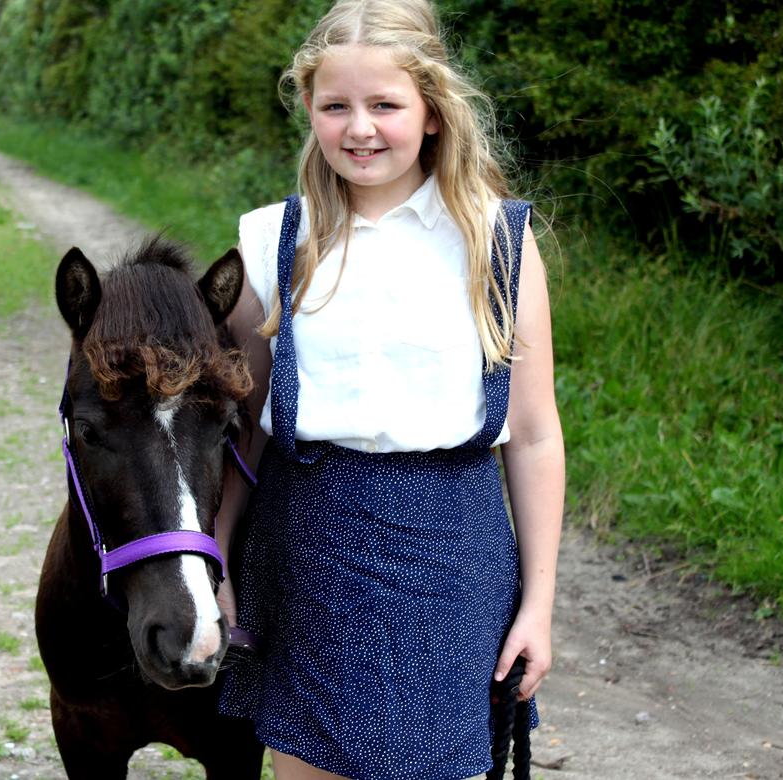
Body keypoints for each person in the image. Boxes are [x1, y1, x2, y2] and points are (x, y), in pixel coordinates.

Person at [214, 1, 564, 778]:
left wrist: (537, 606)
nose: (359, 128)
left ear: (433, 112)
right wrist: (219, 560)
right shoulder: (273, 239)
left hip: (453, 553)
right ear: (308, 107)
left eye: (385, 105)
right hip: (307, 548)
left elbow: (535, 432)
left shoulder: (496, 238)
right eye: (336, 105)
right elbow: (246, 430)